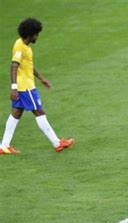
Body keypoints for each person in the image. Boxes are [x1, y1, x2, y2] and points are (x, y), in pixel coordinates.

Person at [0, 18, 74, 155]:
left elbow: (28, 65)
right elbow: (14, 65)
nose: (37, 37)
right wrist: (14, 87)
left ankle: (4, 146)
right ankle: (57, 143)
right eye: (36, 34)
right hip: (25, 87)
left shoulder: (22, 45)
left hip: (24, 86)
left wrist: (41, 78)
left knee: (16, 113)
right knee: (39, 112)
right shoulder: (20, 47)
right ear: (30, 34)